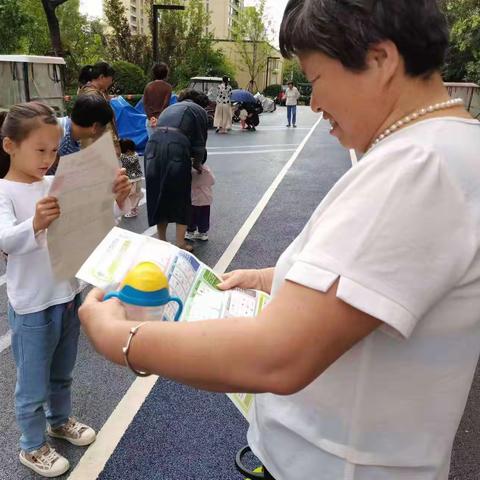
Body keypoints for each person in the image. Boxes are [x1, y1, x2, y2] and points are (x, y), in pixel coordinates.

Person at [79, 1, 480, 479]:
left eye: (316, 79)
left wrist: (121, 340)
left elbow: (279, 356)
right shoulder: (448, 149)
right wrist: (273, 278)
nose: (312, 103)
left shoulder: (416, 169)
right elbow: (386, 282)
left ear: (380, 60)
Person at [0, 102, 130, 478]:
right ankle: (30, 445)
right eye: (40, 150)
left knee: (62, 371)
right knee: (32, 380)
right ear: (9, 145)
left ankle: (59, 422)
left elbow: (93, 223)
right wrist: (35, 224)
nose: (48, 158)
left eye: (54, 150)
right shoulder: (5, 191)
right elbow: (7, 239)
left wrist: (116, 199)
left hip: (68, 293)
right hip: (33, 304)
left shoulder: (51, 183)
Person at [144, 89, 209, 252]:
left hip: (152, 146)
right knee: (180, 195)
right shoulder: (199, 111)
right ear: (201, 102)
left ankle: (162, 241)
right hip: (176, 148)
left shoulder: (170, 108)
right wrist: (197, 164)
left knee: (159, 194)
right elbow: (200, 146)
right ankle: (180, 243)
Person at [47, 95, 114, 174]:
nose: (104, 131)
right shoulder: (61, 142)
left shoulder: (70, 132)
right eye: (104, 126)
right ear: (95, 126)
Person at [77, 62, 118, 148]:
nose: (111, 82)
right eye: (111, 79)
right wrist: (114, 144)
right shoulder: (93, 96)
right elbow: (104, 125)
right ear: (102, 77)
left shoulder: (92, 93)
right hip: (96, 146)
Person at [185, 162, 215, 242]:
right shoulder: (206, 170)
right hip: (205, 198)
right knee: (204, 216)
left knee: (191, 216)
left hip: (192, 198)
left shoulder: (189, 169)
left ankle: (190, 232)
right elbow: (212, 181)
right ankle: (203, 233)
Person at [143, 63, 172, 138]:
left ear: (154, 73)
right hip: (162, 120)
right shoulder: (168, 87)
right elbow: (165, 105)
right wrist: (158, 119)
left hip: (150, 120)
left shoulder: (148, 86)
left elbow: (145, 104)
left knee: (152, 143)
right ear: (166, 74)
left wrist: (151, 118)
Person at [119, 138, 144, 218]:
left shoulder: (133, 157)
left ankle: (133, 211)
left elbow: (128, 161)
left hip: (135, 179)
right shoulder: (127, 155)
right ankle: (132, 208)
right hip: (131, 179)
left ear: (128, 150)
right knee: (131, 195)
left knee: (134, 195)